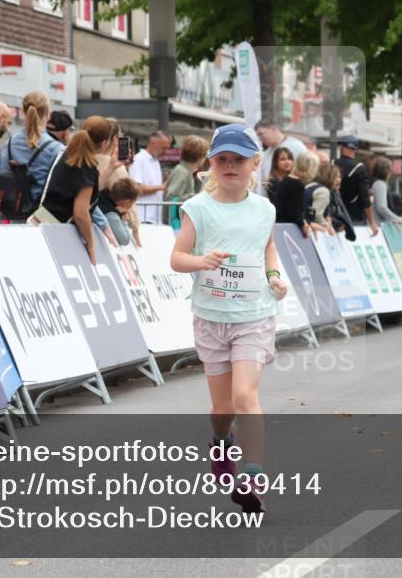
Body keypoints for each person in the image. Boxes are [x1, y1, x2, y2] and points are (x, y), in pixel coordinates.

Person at [170, 123, 289, 515]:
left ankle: (253, 476)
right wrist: (200, 261)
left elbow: (268, 246)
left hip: (254, 315)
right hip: (211, 316)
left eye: (239, 159)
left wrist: (273, 276)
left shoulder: (264, 209)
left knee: (244, 396)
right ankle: (221, 443)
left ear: (256, 163)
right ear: (211, 164)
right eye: (222, 159)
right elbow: (177, 257)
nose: (230, 165)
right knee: (222, 410)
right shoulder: (198, 209)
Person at [36, 119, 115, 263]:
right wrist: (91, 243)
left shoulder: (66, 153)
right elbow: (80, 213)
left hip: (41, 221)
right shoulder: (86, 165)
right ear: (104, 143)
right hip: (60, 234)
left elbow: (89, 193)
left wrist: (112, 166)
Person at [0, 90, 63, 218]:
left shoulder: (10, 143)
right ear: (47, 113)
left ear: (23, 112)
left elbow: (3, 174)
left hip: (11, 214)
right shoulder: (56, 148)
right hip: (40, 218)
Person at [334, 134, 379, 236]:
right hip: (354, 217)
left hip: (334, 216)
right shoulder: (359, 168)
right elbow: (365, 198)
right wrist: (372, 222)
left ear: (341, 148)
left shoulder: (332, 164)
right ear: (355, 150)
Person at [254, 119, 308, 198]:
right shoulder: (266, 154)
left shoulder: (297, 146)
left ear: (273, 129)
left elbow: (306, 173)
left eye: (261, 134)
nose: (260, 138)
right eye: (258, 136)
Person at [129, 130, 169, 224]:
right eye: (163, 148)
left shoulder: (156, 161)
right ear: (153, 143)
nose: (165, 151)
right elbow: (136, 188)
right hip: (143, 216)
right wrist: (162, 186)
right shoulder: (138, 160)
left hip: (154, 218)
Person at [165, 134, 208, 218]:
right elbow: (171, 198)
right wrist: (196, 197)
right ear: (198, 155)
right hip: (175, 222)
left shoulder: (186, 171)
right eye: (204, 155)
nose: (205, 159)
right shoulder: (181, 171)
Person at [273, 150, 315, 235]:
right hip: (286, 230)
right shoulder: (297, 184)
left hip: (279, 226)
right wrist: (303, 224)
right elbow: (294, 212)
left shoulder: (288, 180)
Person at [98, 177, 141, 246]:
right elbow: (124, 240)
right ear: (127, 202)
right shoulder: (111, 214)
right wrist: (124, 220)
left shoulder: (102, 195)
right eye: (132, 203)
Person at [370, 157, 402, 226]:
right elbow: (382, 207)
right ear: (386, 171)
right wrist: (399, 220)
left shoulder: (374, 183)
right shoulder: (380, 184)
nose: (391, 172)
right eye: (390, 170)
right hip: (378, 225)